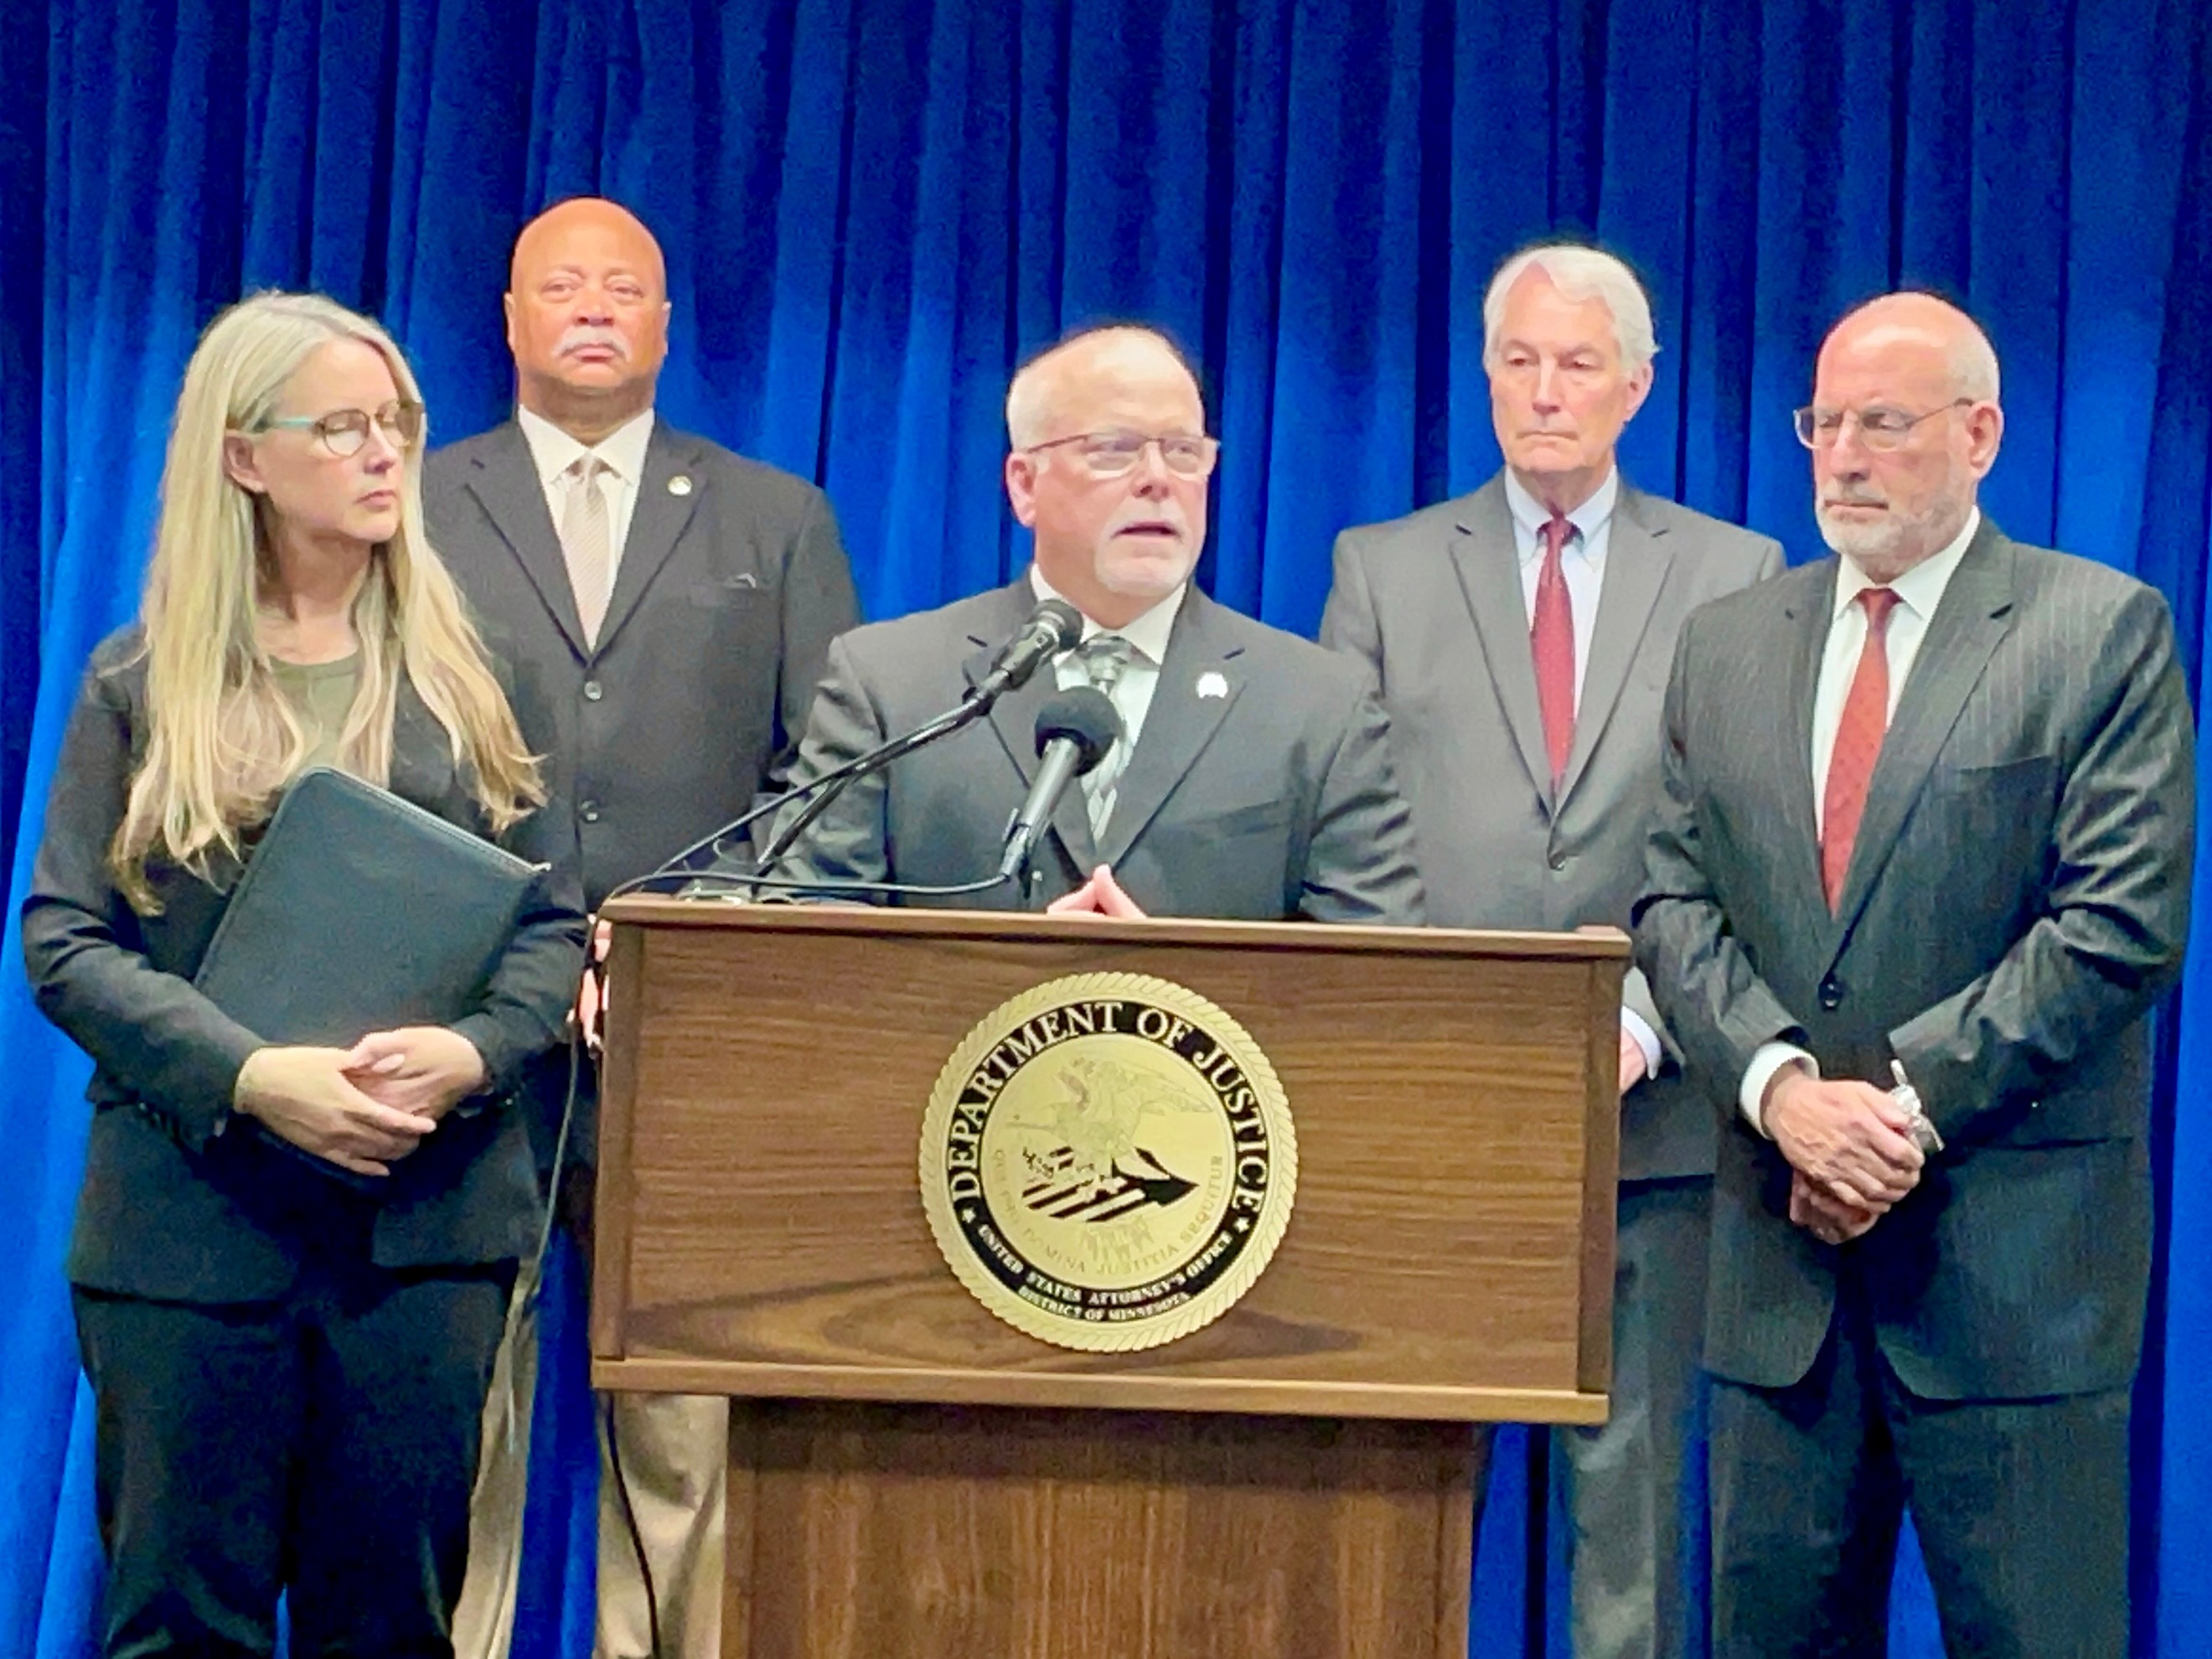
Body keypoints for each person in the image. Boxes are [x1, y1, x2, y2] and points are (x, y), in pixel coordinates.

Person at [20, 292, 586, 1655]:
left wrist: (469, 1054)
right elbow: (62, 942)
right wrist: (254, 1076)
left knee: (391, 1625)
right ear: (243, 457)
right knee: (178, 1625)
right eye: (341, 427)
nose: (385, 451)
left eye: (396, 423)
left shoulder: (481, 679)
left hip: (426, 1240)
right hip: (190, 1240)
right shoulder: (138, 684)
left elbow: (554, 928)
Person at [1634, 291, 2195, 1655]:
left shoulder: (2096, 629)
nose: (1843, 456)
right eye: (1824, 422)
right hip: (1779, 1303)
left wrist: (1891, 1109)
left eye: (1884, 423)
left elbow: (2116, 923)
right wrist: (1780, 1093)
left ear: (1982, 433)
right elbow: (1667, 893)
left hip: (2011, 1296)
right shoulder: (1727, 644)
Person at [1322, 242, 1780, 1659]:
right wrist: (1438, 1033)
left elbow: (1744, 848)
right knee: (1400, 1489)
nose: (1543, 392)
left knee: (1633, 1495)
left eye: (1577, 364)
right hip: (1429, 1117)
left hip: (1653, 1118)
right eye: (1517, 360)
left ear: (1636, 386)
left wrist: (1645, 1018)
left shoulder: (1735, 573)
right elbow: (1347, 833)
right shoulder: (1382, 569)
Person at [422, 197, 857, 1659]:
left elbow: (829, 781)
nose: (596, 306)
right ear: (510, 318)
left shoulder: (774, 516)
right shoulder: (420, 505)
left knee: (682, 1439)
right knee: (453, 1419)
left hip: (689, 1046)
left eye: (627, 287)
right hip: (460, 1038)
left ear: (670, 325)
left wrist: (690, 934)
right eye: (564, 284)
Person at [751, 323, 1423, 928]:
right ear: (1024, 485)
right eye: (1115, 449)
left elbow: (1376, 980)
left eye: (1184, 451)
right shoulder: (890, 684)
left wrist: (1159, 991)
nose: (1157, 479)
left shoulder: (1320, 705)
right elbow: (807, 931)